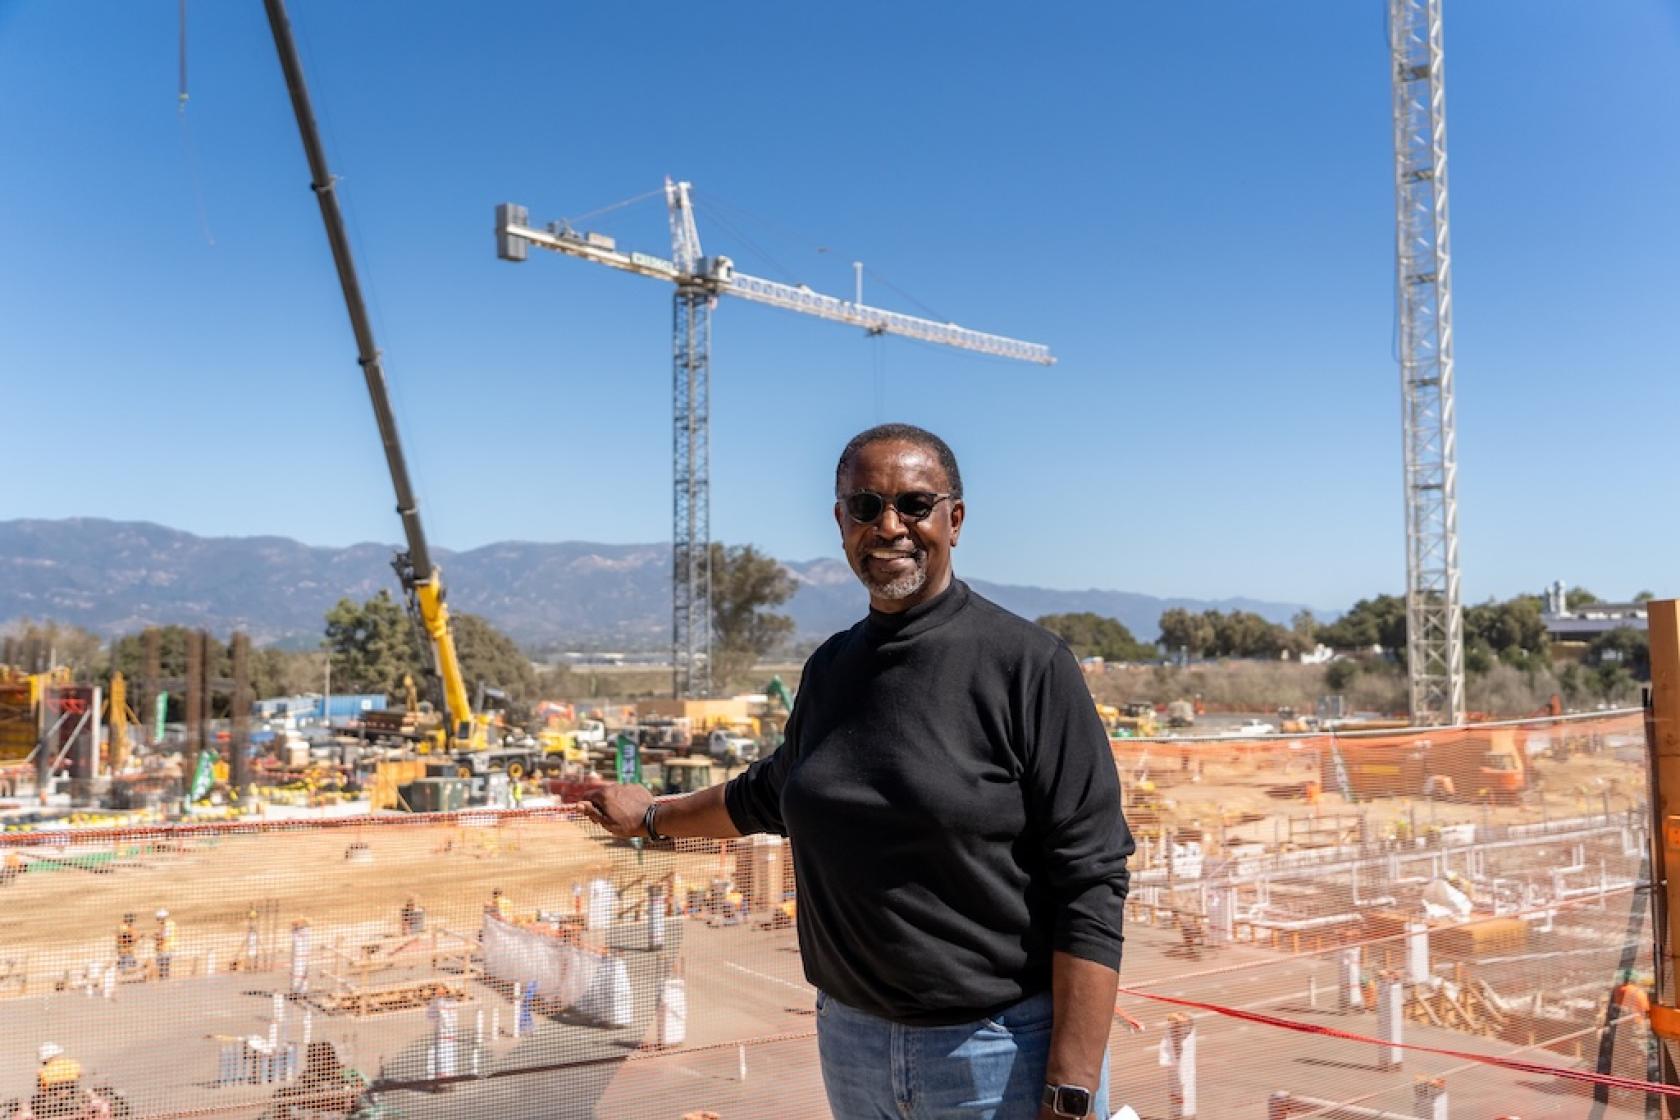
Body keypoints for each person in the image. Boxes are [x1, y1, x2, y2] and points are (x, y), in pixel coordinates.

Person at [585, 424, 1134, 1119]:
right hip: (851, 1045)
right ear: (842, 522)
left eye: (915, 503)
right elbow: (772, 794)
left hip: (999, 1055)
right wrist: (655, 818)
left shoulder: (1026, 666)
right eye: (867, 506)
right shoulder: (831, 669)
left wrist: (1071, 1089)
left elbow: (1092, 879)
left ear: (954, 520)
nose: (891, 526)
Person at [33, 1042, 82, 1118]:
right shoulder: (71, 1063)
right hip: (73, 1098)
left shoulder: (43, 1071)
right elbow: (80, 1073)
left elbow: (42, 1090)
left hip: (54, 1105)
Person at [152, 909, 176, 980]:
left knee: (162, 970)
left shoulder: (166, 925)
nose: (157, 921)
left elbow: (164, 938)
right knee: (165, 969)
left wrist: (156, 937)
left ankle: (164, 983)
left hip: (165, 949)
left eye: (158, 919)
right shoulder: (171, 924)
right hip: (168, 948)